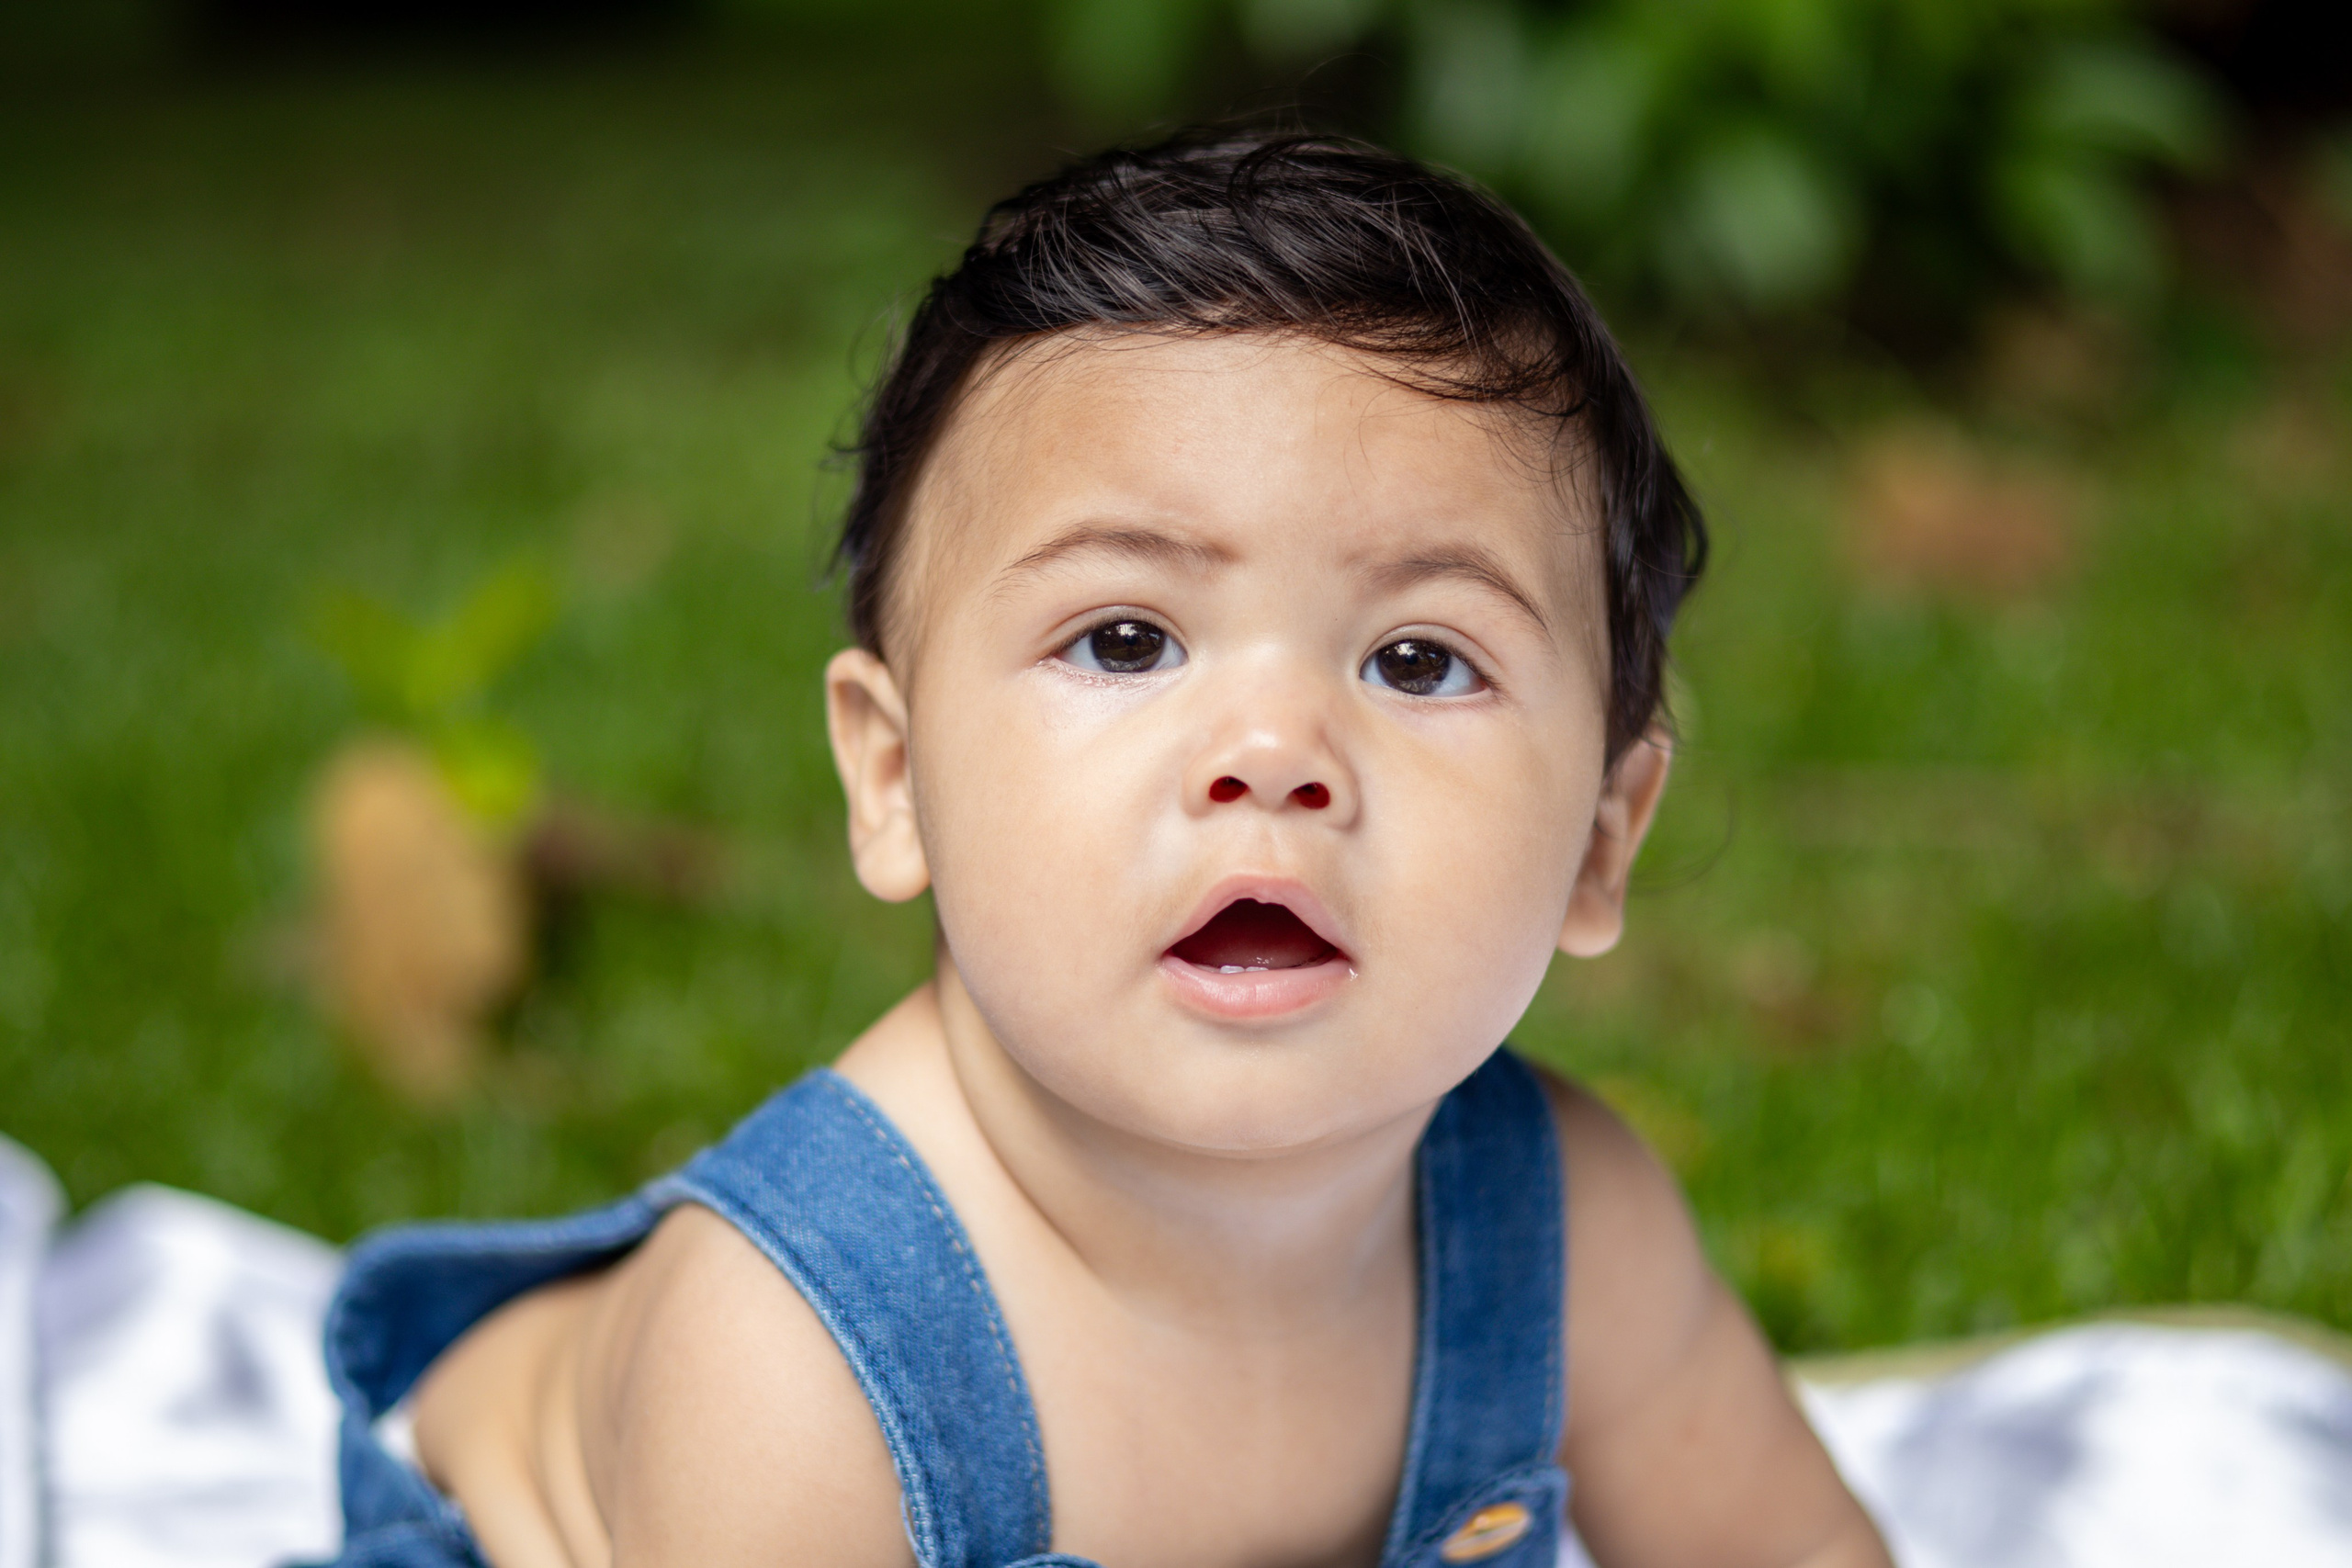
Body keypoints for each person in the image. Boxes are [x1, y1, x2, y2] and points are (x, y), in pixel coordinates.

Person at [317, 130, 1891, 1568]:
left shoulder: (1570, 1233)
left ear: (1602, 843)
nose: (1272, 755)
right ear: (895, 776)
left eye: (1420, 660)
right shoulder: (794, 1370)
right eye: (1128, 638)